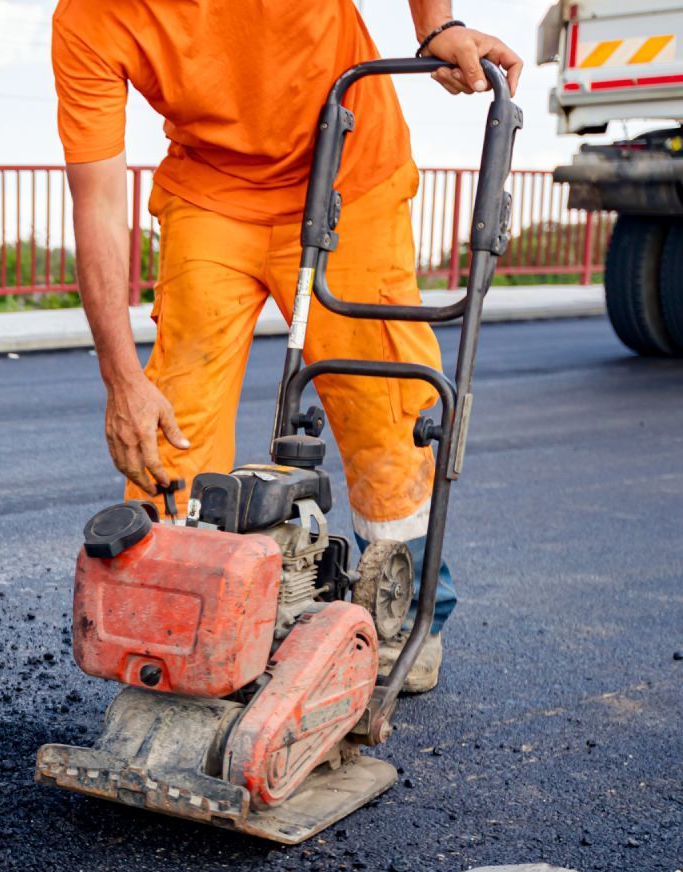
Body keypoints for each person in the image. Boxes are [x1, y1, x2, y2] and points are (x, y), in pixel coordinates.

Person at [53, 1, 523, 692]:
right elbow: (95, 200)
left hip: (348, 170)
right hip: (213, 193)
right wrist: (122, 381)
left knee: (384, 404)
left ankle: (408, 611)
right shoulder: (88, 19)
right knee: (175, 409)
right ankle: (182, 614)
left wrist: (436, 27)